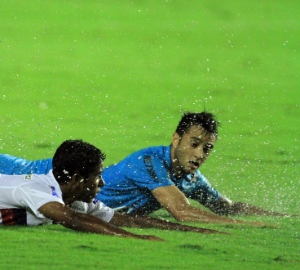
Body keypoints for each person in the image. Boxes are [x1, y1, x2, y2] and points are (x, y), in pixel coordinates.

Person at [0, 139, 226, 238]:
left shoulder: (74, 200)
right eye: (97, 177)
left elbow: (130, 220)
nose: (103, 183)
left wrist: (190, 230)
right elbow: (73, 220)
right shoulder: (38, 190)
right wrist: (133, 239)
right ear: (78, 179)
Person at [96, 112, 292, 223]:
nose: (199, 155)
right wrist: (245, 226)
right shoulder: (148, 161)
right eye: (194, 144)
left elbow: (226, 207)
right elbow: (181, 211)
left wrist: (282, 216)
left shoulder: (192, 179)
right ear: (176, 139)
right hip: (79, 206)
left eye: (207, 149)